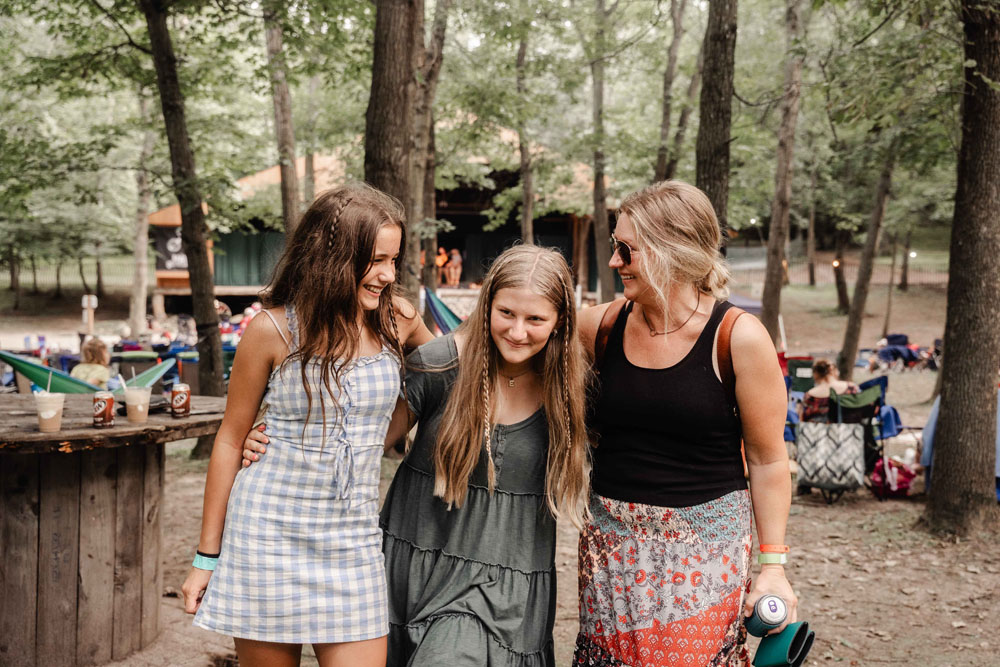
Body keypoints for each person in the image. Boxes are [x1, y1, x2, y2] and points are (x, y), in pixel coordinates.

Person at [243, 245, 592, 666]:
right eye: (506, 313)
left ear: (560, 321)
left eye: (535, 319)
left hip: (507, 587)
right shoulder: (440, 366)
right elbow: (358, 441)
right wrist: (274, 438)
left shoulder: (571, 389)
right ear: (486, 306)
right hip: (417, 567)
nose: (518, 331)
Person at [181, 184, 433, 667]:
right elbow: (230, 440)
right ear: (333, 258)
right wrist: (205, 560)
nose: (387, 274)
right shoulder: (272, 330)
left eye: (392, 260)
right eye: (375, 260)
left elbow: (444, 370)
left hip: (353, 542)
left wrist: (387, 431)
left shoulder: (397, 318)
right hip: (267, 536)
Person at [574, 180, 797, 666]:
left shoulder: (737, 338)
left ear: (670, 252)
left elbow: (768, 460)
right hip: (610, 550)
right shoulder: (599, 327)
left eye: (626, 250)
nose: (613, 261)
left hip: (704, 551)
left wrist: (773, 567)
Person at [798, 359, 859, 423]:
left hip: (819, 428)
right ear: (835, 371)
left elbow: (802, 418)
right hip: (849, 428)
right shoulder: (852, 388)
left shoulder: (809, 395)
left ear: (815, 374)